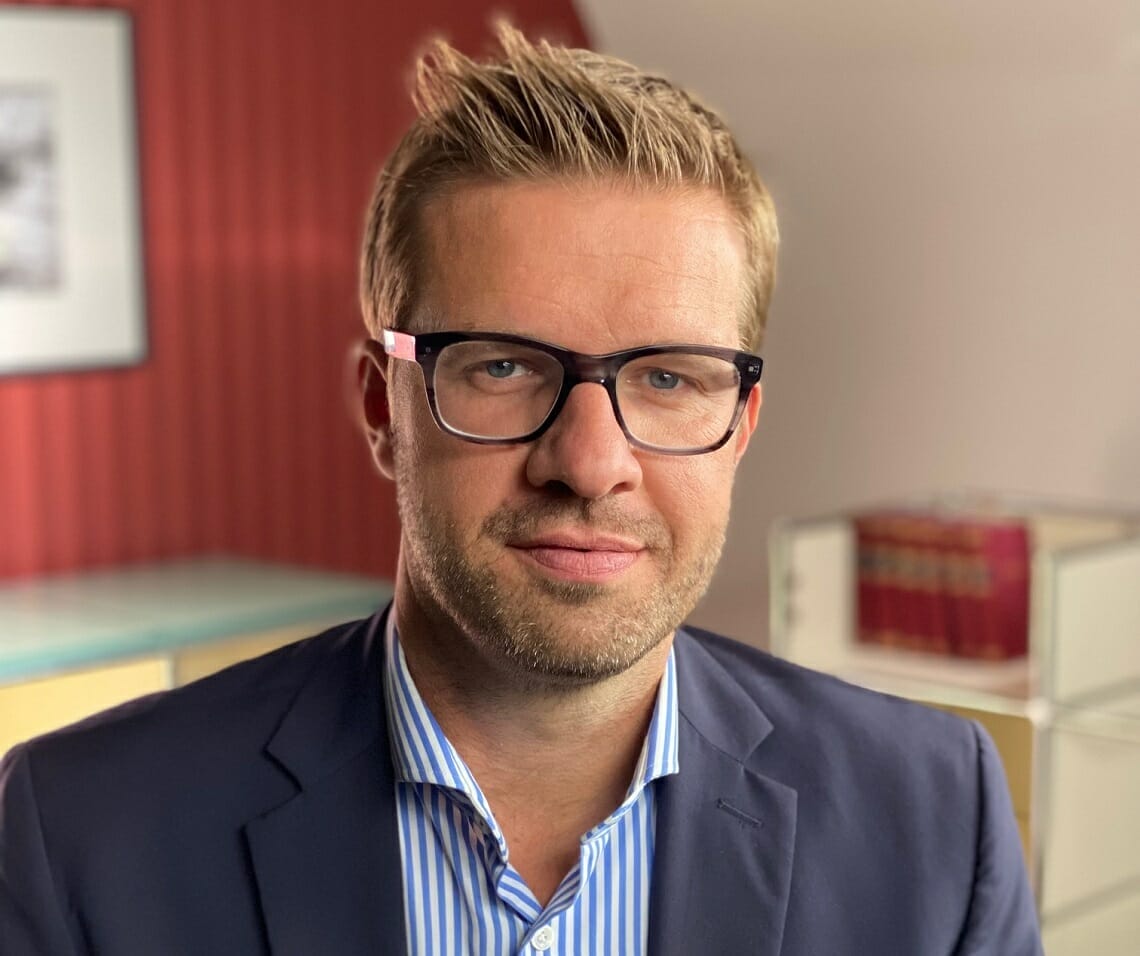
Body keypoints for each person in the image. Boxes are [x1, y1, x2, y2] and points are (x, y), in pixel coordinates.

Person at [0, 23, 1041, 956]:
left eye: (669, 377)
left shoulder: (936, 818)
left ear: (739, 428)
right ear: (382, 406)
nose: (588, 463)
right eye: (503, 366)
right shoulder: (83, 832)